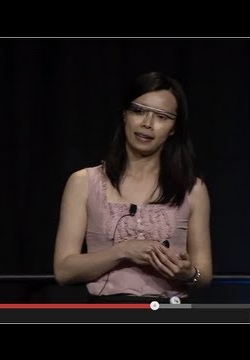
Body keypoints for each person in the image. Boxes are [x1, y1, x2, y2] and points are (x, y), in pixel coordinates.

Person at [53, 71, 212, 303]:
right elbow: (64, 271)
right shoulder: (84, 182)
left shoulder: (193, 189)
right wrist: (124, 251)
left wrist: (189, 274)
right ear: (124, 114)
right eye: (139, 111)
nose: (147, 124)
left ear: (174, 127)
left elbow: (204, 274)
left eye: (161, 117)